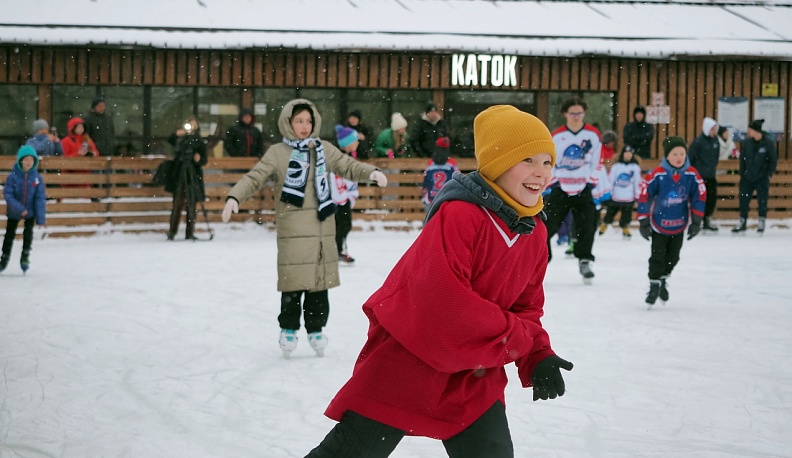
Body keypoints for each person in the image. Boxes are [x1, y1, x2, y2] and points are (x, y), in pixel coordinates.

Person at [306, 105, 573, 458]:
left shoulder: (534, 232)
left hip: (473, 378)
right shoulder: (461, 214)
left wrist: (537, 354)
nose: (541, 172)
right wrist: (519, 339)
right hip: (408, 365)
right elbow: (443, 301)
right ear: (498, 164)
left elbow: (527, 306)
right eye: (528, 160)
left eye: (548, 162)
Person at [220, 99, 388, 358]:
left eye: (308, 121)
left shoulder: (323, 149)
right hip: (293, 230)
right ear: (288, 123)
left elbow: (348, 166)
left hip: (322, 228)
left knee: (319, 284)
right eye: (299, 120)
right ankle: (288, 329)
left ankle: (316, 329)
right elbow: (255, 177)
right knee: (293, 282)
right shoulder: (278, 153)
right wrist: (235, 197)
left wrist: (371, 172)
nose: (304, 126)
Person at [637, 137, 706, 307]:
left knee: (673, 257)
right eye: (674, 154)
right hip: (659, 224)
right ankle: (654, 285)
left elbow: (699, 196)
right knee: (657, 256)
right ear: (667, 156)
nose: (679, 157)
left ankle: (663, 279)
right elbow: (644, 195)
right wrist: (643, 221)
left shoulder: (691, 174)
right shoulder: (657, 174)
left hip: (679, 224)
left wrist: (696, 221)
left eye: (682, 153)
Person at [543, 97, 602, 282]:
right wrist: (554, 183)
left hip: (583, 188)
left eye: (579, 113)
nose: (576, 116)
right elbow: (549, 161)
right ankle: (541, 260)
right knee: (546, 227)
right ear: (565, 114)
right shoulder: (557, 136)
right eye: (572, 113)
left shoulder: (592, 135)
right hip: (560, 189)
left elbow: (597, 162)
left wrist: (589, 182)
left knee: (587, 226)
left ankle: (585, 260)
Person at [1, 146, 46, 274]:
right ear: (21, 160)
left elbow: (40, 198)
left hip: (30, 212)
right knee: (9, 235)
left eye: (31, 160)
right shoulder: (13, 177)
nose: (28, 162)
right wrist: (19, 209)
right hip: (14, 212)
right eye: (26, 159)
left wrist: (40, 218)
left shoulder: (37, 178)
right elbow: (8, 194)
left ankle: (25, 256)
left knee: (28, 235)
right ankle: (4, 258)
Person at [732, 119, 778, 233]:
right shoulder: (747, 143)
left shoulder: (768, 143)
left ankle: (761, 220)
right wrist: (742, 173)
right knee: (744, 200)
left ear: (756, 130)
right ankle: (742, 221)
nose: (748, 131)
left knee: (762, 200)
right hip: (747, 178)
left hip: (762, 177)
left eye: (750, 129)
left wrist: (768, 173)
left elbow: (773, 160)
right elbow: (742, 159)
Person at [166, 118, 208, 241]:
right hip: (180, 173)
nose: (192, 127)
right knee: (177, 203)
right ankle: (172, 231)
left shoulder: (199, 142)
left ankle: (189, 232)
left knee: (191, 205)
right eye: (190, 124)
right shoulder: (181, 139)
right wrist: (177, 134)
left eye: (194, 124)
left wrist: (198, 159)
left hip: (193, 174)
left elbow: (204, 160)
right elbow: (171, 140)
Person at [332, 125, 362, 263]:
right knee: (342, 225)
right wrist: (343, 196)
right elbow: (337, 179)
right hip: (339, 199)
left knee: (342, 225)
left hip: (344, 197)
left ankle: (338, 250)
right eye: (355, 140)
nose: (358, 143)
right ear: (348, 143)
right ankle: (337, 250)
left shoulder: (346, 158)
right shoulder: (340, 160)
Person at [599, 145, 641, 238]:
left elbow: (637, 182)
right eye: (626, 153)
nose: (628, 155)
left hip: (629, 197)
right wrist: (608, 193)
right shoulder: (616, 167)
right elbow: (611, 180)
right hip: (616, 196)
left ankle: (625, 227)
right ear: (622, 154)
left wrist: (637, 195)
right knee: (610, 212)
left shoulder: (635, 167)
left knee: (627, 214)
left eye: (630, 153)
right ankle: (605, 224)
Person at [688, 117, 721, 231]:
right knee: (699, 199)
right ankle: (696, 221)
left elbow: (716, 157)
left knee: (711, 199)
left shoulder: (716, 141)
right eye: (712, 129)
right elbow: (690, 158)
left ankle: (707, 219)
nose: (714, 131)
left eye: (715, 129)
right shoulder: (698, 142)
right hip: (700, 177)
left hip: (711, 176)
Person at [420, 136, 458, 211]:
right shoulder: (452, 163)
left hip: (431, 199)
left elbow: (425, 182)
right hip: (447, 198)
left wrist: (424, 193)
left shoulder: (430, 163)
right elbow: (457, 179)